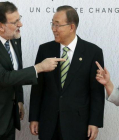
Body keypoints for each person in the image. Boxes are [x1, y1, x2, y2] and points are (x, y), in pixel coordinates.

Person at [29, 5, 105, 140]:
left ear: (71, 27)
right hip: (48, 122)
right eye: (52, 24)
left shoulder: (93, 52)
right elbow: (38, 87)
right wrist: (34, 118)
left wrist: (95, 122)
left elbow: (96, 91)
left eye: (57, 25)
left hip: (77, 124)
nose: (53, 29)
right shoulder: (45, 50)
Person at [0, 2, 65, 140]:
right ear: (1, 26)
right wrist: (39, 67)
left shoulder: (14, 40)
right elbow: (4, 77)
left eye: (20, 18)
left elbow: (16, 71)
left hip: (9, 118)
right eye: (15, 21)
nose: (20, 24)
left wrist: (19, 99)